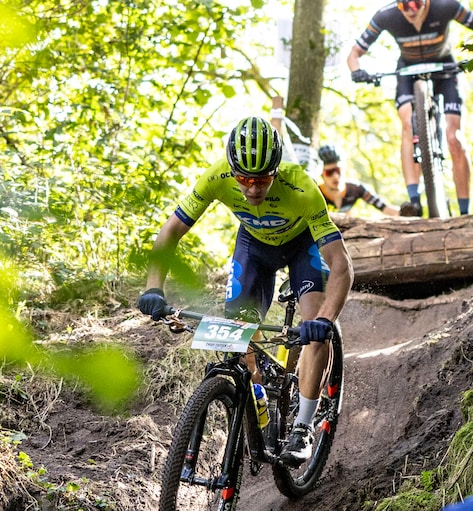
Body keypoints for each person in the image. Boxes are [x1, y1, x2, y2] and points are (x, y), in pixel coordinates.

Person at [138, 116, 354, 464]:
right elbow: (170, 232)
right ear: (232, 171)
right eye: (244, 180)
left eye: (262, 180)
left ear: (276, 170)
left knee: (315, 329)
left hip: (303, 248)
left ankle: (304, 426)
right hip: (254, 248)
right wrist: (153, 289)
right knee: (235, 337)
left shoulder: (301, 186)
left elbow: (341, 264)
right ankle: (260, 401)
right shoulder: (216, 176)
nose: (253, 189)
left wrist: (326, 319)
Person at [347, 0, 473, 217]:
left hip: (444, 67)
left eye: (416, 4)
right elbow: (354, 54)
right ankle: (413, 202)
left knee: (454, 137)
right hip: (408, 70)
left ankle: (464, 211)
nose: (410, 11)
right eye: (403, 5)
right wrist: (356, 71)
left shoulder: (445, 6)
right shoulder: (385, 15)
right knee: (408, 124)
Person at [316, 145, 413, 216]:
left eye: (338, 170)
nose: (335, 176)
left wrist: (404, 213)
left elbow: (384, 207)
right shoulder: (315, 194)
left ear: (344, 169)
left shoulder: (356, 189)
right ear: (321, 174)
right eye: (329, 172)